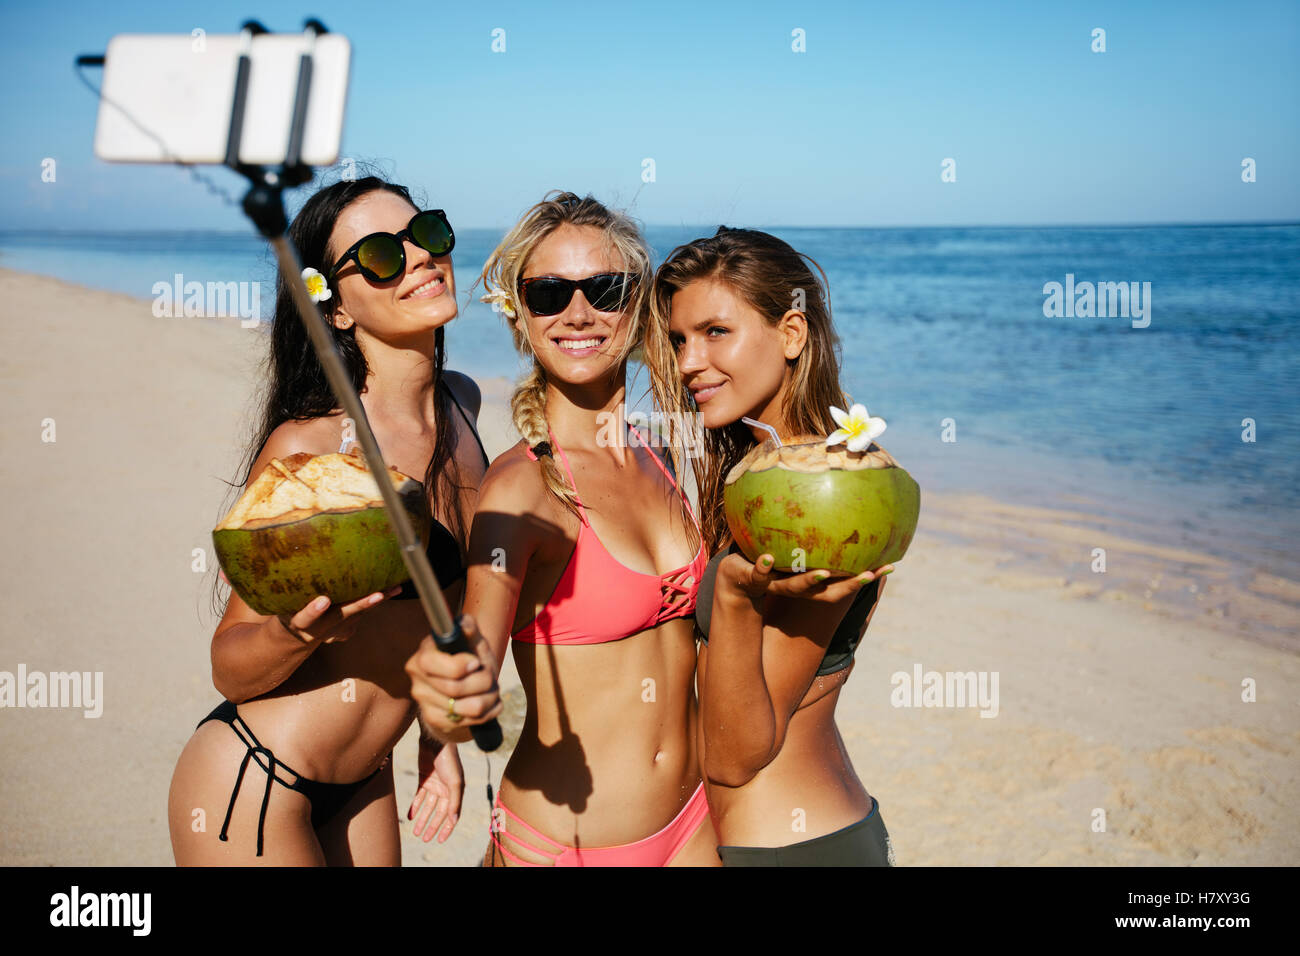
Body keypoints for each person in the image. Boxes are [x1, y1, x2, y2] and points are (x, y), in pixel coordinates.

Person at [168, 176, 489, 865]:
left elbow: (441, 618)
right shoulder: (311, 448)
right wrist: (298, 632)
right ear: (336, 309)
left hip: (369, 782)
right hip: (257, 779)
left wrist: (438, 734)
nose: (419, 259)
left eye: (428, 235)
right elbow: (230, 664)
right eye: (380, 255)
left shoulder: (464, 407)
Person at [405, 191, 719, 866]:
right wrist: (445, 699)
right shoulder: (521, 487)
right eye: (549, 293)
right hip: (566, 846)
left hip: (695, 823)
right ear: (520, 315)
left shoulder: (658, 455)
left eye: (604, 289)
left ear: (636, 305)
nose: (578, 313)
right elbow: (473, 661)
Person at [642, 225, 898, 866]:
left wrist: (729, 595)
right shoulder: (759, 474)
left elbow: (733, 756)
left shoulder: (832, 497)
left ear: (791, 333)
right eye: (679, 340)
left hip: (793, 848)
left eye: (715, 332)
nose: (687, 362)